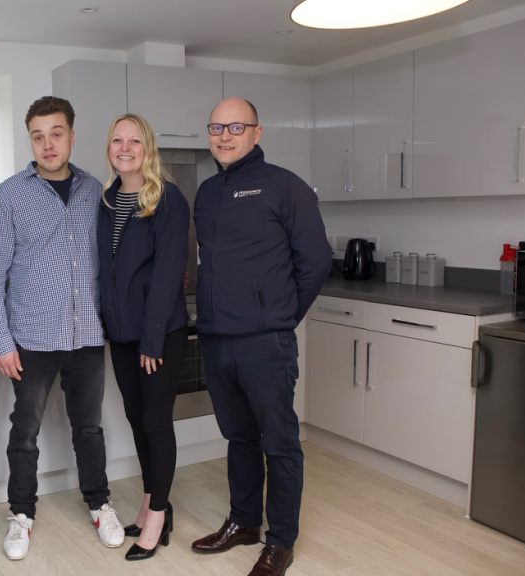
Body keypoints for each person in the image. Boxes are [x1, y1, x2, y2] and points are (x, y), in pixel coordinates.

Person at [0, 95, 125, 561]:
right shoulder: (8, 197)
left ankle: (99, 504)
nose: (48, 144)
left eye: (56, 133)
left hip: (85, 336)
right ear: (31, 140)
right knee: (25, 432)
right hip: (32, 340)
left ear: (72, 136)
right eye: (38, 136)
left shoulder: (95, 192)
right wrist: (2, 343)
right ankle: (21, 515)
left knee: (89, 429)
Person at [189, 97, 332, 576]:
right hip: (216, 338)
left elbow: (315, 261)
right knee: (239, 437)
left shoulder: (285, 188)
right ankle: (244, 522)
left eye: (236, 126)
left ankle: (281, 542)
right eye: (216, 126)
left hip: (265, 342)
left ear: (257, 132)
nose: (224, 135)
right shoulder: (206, 192)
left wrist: (281, 316)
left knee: (280, 442)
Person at [96, 114, 189, 561]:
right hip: (122, 334)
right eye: (118, 140)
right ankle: (154, 500)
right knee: (136, 419)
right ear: (109, 148)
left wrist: (152, 339)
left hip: (158, 334)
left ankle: (157, 516)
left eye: (134, 140)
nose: (125, 147)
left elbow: (170, 273)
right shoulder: (107, 200)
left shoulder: (166, 199)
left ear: (147, 147)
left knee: (155, 422)